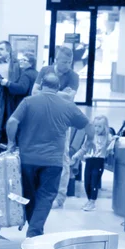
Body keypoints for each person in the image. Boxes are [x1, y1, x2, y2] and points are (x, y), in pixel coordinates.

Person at [6, 73, 92, 237]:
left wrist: (12, 143)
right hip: (53, 162)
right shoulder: (67, 105)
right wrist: (89, 142)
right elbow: (89, 125)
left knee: (29, 195)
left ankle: (34, 231)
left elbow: (12, 122)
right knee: (45, 197)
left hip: (27, 159)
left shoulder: (28, 102)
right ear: (58, 88)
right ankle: (35, 232)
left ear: (41, 85)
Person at [33, 46, 80, 209]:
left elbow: (70, 98)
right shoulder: (45, 70)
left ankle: (60, 196)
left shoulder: (74, 76)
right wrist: (60, 93)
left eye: (70, 62)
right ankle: (41, 191)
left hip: (62, 121)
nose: (67, 65)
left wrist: (46, 91)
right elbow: (33, 92)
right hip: (43, 119)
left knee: (63, 157)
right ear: (56, 60)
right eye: (65, 62)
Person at [71, 115, 116, 212]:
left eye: (99, 126)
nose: (97, 129)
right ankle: (89, 200)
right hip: (89, 161)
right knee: (87, 182)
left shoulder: (107, 137)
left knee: (94, 182)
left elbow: (111, 145)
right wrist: (76, 156)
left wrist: (114, 139)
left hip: (98, 161)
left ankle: (92, 201)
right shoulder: (90, 136)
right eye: (95, 126)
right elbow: (84, 148)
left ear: (104, 127)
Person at [0, 41, 20, 152]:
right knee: (1, 126)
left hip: (14, 99)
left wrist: (10, 84)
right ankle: (0, 156)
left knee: (14, 124)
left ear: (8, 50)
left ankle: (13, 155)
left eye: (1, 49)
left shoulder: (17, 64)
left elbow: (18, 82)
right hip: (0, 99)